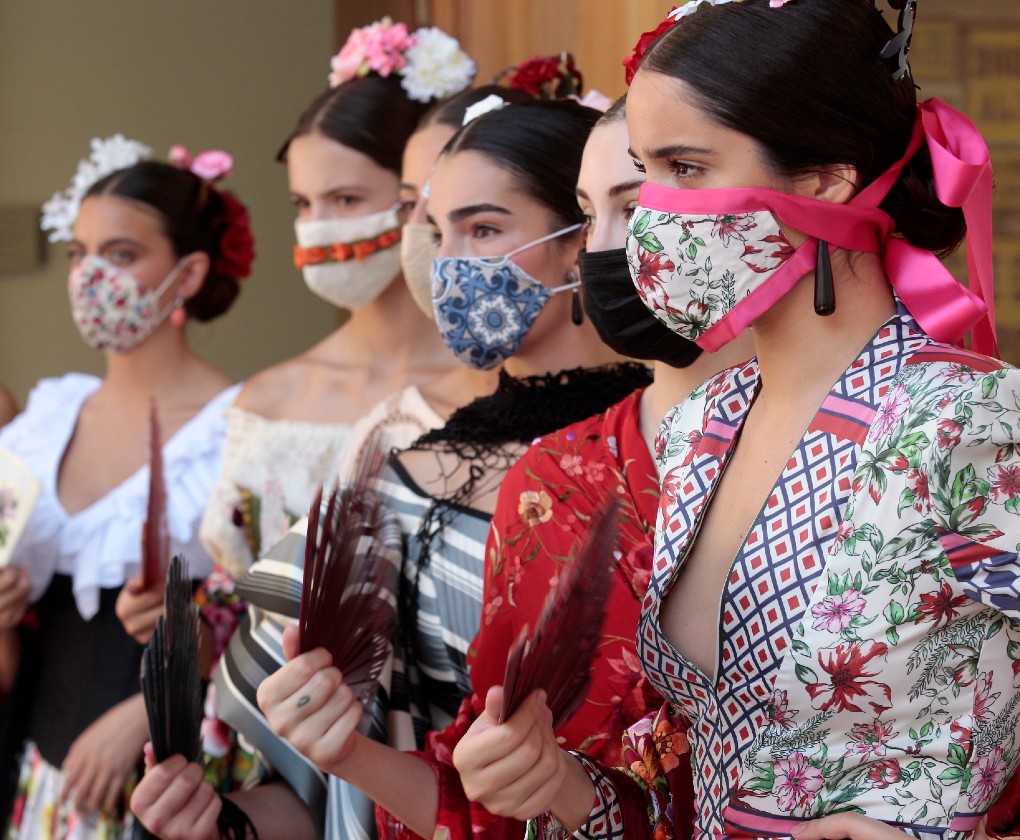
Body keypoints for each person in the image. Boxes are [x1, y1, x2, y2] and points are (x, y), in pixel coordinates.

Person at [449, 2, 1020, 839]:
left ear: (826, 179)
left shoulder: (966, 420)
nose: (654, 212)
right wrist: (562, 789)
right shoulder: (702, 428)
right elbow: (704, 791)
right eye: (646, 170)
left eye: (686, 167)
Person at [132, 96, 645, 840]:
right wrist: (215, 823)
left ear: (581, 238)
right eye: (438, 233)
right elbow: (313, 786)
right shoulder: (394, 480)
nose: (448, 264)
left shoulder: (668, 445)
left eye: (484, 229)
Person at [0, 136, 251, 839]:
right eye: (79, 254)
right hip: (45, 777)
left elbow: (275, 634)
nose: (90, 276)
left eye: (121, 254)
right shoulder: (42, 421)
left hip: (179, 779)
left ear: (189, 272)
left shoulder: (237, 430)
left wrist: (149, 706)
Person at [198, 19, 474, 581]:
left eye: (346, 199)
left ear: (421, 197)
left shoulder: (489, 385)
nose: (319, 228)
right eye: (303, 204)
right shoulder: (269, 399)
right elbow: (237, 594)